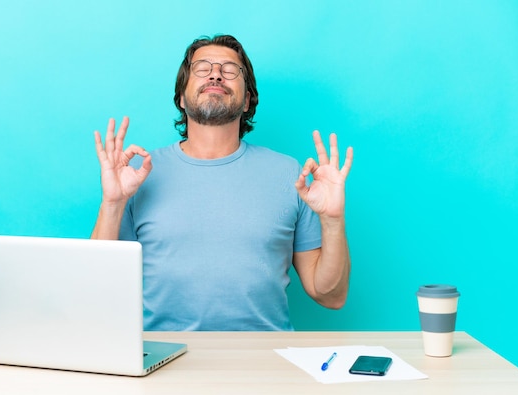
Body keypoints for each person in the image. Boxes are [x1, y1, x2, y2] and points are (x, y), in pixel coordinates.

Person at [91, 34, 353, 331]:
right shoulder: (138, 175)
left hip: (265, 364)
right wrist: (112, 203)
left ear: (247, 101)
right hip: (163, 363)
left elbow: (331, 296)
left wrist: (332, 220)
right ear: (181, 97)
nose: (215, 73)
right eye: (202, 68)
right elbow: (96, 291)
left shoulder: (290, 174)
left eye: (230, 70)